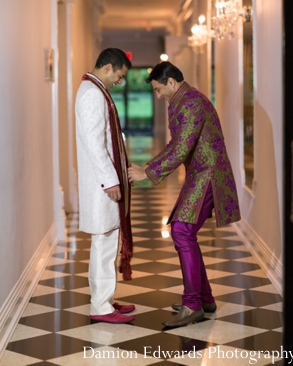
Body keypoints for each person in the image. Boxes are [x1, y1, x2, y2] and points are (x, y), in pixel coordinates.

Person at [128, 61, 241, 328]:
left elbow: (180, 149)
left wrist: (147, 173)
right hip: (199, 174)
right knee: (183, 231)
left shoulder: (190, 103)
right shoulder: (180, 101)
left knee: (181, 230)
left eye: (158, 89)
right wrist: (147, 166)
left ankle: (193, 304)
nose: (158, 95)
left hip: (208, 174)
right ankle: (204, 299)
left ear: (171, 82)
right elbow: (175, 144)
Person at [75, 48, 135, 324]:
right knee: (103, 241)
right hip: (102, 182)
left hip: (104, 179)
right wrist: (110, 179)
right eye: (119, 76)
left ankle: (106, 298)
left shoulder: (96, 90)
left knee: (108, 240)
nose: (119, 82)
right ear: (109, 67)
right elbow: (93, 142)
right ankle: (100, 306)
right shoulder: (91, 94)